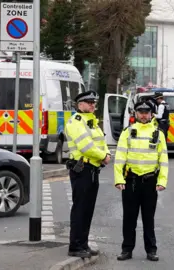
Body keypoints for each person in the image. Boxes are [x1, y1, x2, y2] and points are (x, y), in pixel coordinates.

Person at [114, 100, 169, 262]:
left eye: (146, 112)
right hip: (131, 180)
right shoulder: (127, 132)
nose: (144, 115)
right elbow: (120, 158)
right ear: (135, 113)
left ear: (151, 114)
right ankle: (126, 249)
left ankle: (151, 250)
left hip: (150, 180)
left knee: (148, 218)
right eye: (141, 112)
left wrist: (162, 181)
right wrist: (118, 179)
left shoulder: (158, 133)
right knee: (129, 217)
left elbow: (163, 159)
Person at [64, 91, 111, 258]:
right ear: (80, 104)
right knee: (80, 209)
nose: (92, 105)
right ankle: (75, 246)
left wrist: (107, 154)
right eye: (89, 102)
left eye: (94, 102)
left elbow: (101, 142)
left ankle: (83, 244)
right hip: (82, 169)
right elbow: (86, 147)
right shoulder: (76, 122)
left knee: (88, 210)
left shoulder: (91, 121)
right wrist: (103, 157)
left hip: (92, 170)